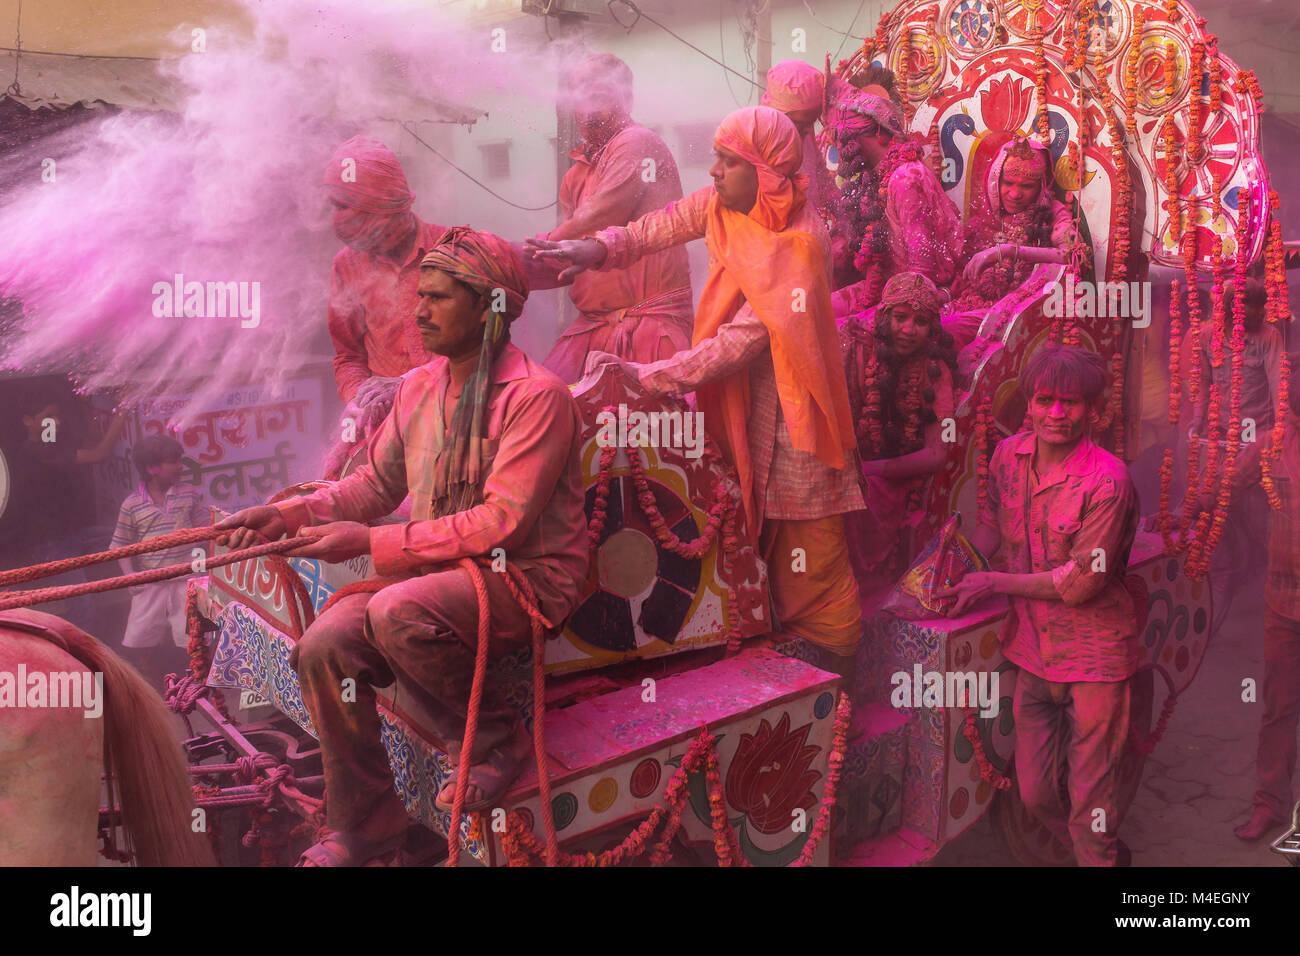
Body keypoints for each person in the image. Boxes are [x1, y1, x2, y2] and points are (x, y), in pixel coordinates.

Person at [216, 228, 588, 866]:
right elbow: (372, 484)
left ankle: (497, 739)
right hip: (443, 570)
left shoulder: (538, 397)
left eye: (438, 299)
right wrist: (288, 514)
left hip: (525, 575)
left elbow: (504, 523)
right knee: (322, 646)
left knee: (396, 612)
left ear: (490, 308)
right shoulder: (418, 387)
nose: (418, 312)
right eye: (421, 297)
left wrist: (370, 543)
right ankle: (366, 822)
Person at [529, 106, 865, 672]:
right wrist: (597, 248)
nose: (712, 171)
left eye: (728, 162)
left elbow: (738, 343)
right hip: (735, 403)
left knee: (811, 553)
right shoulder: (722, 207)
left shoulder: (801, 246)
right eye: (715, 156)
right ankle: (777, 655)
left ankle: (834, 678)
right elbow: (657, 226)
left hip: (793, 417)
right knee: (743, 530)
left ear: (767, 173)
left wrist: (649, 376)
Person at [941, 346, 1140, 866]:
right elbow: (992, 530)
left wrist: (993, 583)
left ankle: (1100, 855)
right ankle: (1104, 852)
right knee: (1034, 795)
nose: (1057, 413)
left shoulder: (1108, 481)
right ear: (1027, 404)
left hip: (1094, 660)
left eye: (1070, 403)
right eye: (1045, 400)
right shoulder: (1008, 459)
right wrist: (950, 565)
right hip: (1032, 653)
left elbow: (1080, 584)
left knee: (1089, 802)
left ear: (1092, 409)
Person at [525, 53, 693, 384]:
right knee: (548, 402)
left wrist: (520, 256)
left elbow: (598, 218)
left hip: (650, 328)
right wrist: (507, 274)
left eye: (598, 95)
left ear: (626, 98)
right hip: (592, 326)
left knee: (649, 433)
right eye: (579, 96)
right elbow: (567, 257)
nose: (587, 108)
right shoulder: (574, 176)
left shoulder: (637, 142)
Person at [322, 136, 450, 473]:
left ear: (394, 207)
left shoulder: (454, 249)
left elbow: (485, 351)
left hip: (458, 418)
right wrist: (359, 398)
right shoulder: (346, 265)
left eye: (362, 218)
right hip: (384, 428)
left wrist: (407, 386)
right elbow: (348, 356)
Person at [841, 272, 957, 610]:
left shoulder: (936, 372)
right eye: (900, 317)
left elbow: (938, 453)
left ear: (932, 326)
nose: (908, 330)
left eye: (920, 321)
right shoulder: (856, 351)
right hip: (846, 465)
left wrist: (871, 470)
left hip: (892, 480)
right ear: (883, 316)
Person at [821, 83, 963, 313]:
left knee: (829, 327)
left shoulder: (906, 178)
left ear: (878, 134)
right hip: (887, 287)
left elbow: (922, 265)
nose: (841, 149)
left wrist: (903, 307)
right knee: (816, 313)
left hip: (910, 300)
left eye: (845, 139)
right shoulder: (879, 176)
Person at [1235, 359, 1300, 840]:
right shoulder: (1272, 445)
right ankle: (1270, 804)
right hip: (1284, 602)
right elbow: (1222, 489)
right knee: (1277, 708)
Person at [945, 136, 1089, 353]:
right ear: (995, 180)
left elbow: (1073, 255)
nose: (1014, 194)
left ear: (1040, 186)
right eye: (1008, 183)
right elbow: (962, 277)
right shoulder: (986, 215)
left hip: (1015, 313)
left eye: (1026, 186)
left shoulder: (1052, 213)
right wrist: (944, 294)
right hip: (973, 303)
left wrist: (1009, 251)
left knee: (948, 329)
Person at [0, 392, 126, 632]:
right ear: (28, 421)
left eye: (57, 417)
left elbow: (90, 444)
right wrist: (123, 412)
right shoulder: (36, 451)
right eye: (48, 417)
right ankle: (78, 658)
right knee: (83, 605)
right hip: (53, 544)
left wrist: (90, 413)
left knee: (128, 534)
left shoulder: (48, 444)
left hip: (74, 535)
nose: (56, 423)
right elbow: (99, 453)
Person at [110, 434, 206, 684]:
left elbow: (207, 532)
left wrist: (203, 570)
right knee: (141, 639)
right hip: (150, 581)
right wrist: (130, 577)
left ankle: (196, 684)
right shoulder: (132, 505)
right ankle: (152, 687)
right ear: (152, 468)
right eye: (173, 461)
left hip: (186, 579)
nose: (180, 466)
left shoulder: (189, 495)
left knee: (195, 637)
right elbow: (119, 545)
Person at [761, 59, 837, 224]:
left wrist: (844, 213)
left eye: (812, 122)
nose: (807, 131)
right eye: (801, 124)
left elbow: (821, 177)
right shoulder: (755, 146)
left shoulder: (804, 133)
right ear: (776, 114)